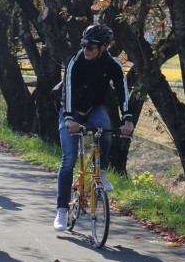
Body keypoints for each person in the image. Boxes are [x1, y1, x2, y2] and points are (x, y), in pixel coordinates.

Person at [53, 25, 134, 231]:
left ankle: (102, 170)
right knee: (69, 158)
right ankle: (62, 210)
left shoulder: (112, 64)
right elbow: (68, 91)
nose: (86, 49)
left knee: (105, 128)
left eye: (91, 46)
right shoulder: (75, 60)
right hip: (70, 109)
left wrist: (127, 119)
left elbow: (122, 92)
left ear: (104, 48)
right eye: (83, 45)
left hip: (94, 108)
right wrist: (69, 119)